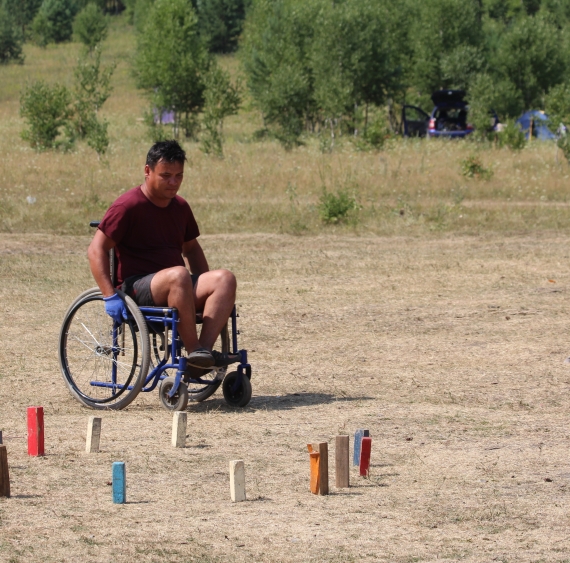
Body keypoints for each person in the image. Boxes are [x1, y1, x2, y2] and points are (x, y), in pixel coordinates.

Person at [87, 140, 239, 371]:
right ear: (147, 171)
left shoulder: (180, 207)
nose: (173, 182)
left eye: (179, 176)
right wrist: (109, 295)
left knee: (225, 278)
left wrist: (205, 290)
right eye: (166, 175)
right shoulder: (127, 206)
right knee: (179, 275)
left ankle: (201, 356)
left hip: (176, 284)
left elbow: (191, 249)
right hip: (138, 286)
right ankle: (194, 349)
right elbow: (96, 249)